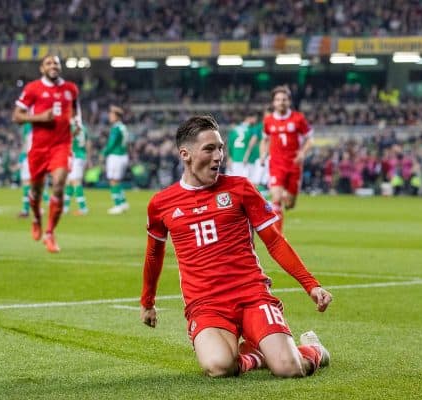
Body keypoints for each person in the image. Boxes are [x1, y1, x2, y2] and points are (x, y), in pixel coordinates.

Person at [140, 115, 332, 378]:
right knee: (219, 366)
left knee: (289, 368)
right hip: (206, 303)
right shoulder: (161, 204)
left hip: (251, 293)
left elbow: (274, 241)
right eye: (209, 149)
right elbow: (154, 254)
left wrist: (310, 284)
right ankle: (254, 356)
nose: (218, 155)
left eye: (220, 147)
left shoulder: (240, 188)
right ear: (185, 154)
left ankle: (313, 349)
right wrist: (147, 301)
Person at [12, 54, 81, 252]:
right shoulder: (32, 88)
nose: (53, 66)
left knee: (59, 185)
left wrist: (76, 124)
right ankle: (36, 218)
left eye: (56, 63)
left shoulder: (71, 89)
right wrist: (40, 117)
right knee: (36, 191)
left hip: (62, 146)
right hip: (38, 149)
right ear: (42, 69)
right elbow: (16, 116)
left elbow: (76, 112)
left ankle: (50, 233)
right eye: (49, 63)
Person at [260, 86, 313, 233]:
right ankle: (278, 236)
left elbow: (310, 140)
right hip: (276, 163)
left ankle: (285, 200)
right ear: (273, 102)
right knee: (276, 198)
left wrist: (302, 152)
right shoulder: (268, 120)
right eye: (277, 99)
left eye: (284, 99)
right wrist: (263, 155)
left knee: (289, 204)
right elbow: (264, 140)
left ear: (289, 101)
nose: (281, 102)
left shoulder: (298, 118)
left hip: (294, 164)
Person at [17, 122, 50, 217]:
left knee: (29, 183)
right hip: (33, 157)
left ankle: (27, 210)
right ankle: (31, 209)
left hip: (31, 157)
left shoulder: (29, 125)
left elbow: (26, 143)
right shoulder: (40, 125)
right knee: (31, 184)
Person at [102, 105, 130, 215]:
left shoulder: (116, 128)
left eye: (112, 114)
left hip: (115, 156)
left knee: (113, 180)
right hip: (123, 155)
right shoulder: (123, 127)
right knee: (117, 180)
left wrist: (103, 153)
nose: (109, 116)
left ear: (117, 116)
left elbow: (111, 144)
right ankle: (123, 202)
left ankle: (117, 205)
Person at [64, 121, 90, 215]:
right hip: (80, 156)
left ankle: (83, 208)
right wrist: (88, 158)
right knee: (69, 182)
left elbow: (68, 137)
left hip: (76, 156)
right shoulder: (84, 128)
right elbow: (88, 143)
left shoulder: (73, 127)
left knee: (75, 181)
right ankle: (65, 207)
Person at [225, 113, 256, 178]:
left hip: (234, 160)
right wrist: (247, 156)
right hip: (247, 160)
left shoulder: (235, 130)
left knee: (233, 183)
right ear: (248, 118)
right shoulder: (251, 129)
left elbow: (229, 145)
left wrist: (228, 158)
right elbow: (252, 143)